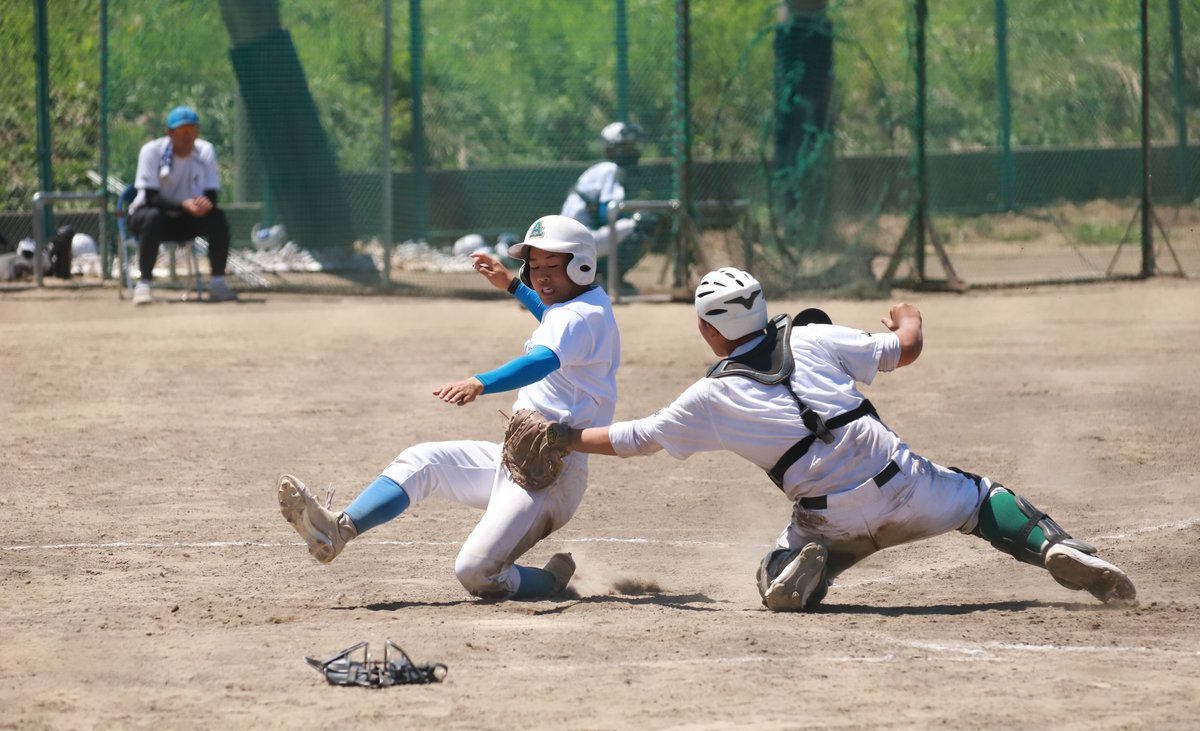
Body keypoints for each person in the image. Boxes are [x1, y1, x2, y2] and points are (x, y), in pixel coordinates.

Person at [561, 266, 1137, 611]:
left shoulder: (708, 397)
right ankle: (1052, 547)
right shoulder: (813, 338)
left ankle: (791, 573)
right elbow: (906, 349)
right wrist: (909, 315)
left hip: (826, 516)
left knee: (780, 563)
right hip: (907, 486)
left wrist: (562, 436)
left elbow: (636, 438)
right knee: (981, 499)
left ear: (707, 330)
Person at [278, 214, 620, 601]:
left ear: (581, 265)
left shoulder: (577, 317)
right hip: (516, 460)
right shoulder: (589, 304)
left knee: (476, 572)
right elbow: (553, 319)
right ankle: (338, 529)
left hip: (551, 481)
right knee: (423, 461)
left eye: (552, 266)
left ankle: (550, 582)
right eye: (534, 267)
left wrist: (480, 382)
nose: (540, 276)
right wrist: (511, 284)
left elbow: (541, 360)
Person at [128, 105, 235, 305]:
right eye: (181, 130)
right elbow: (151, 197)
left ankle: (218, 283)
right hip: (150, 218)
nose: (187, 135)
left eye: (191, 130)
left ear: (197, 132)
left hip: (187, 219)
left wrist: (204, 205)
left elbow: (211, 194)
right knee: (152, 216)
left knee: (218, 217)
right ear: (170, 133)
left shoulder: (205, 150)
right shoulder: (152, 151)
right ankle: (144, 284)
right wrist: (183, 205)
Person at [561, 121, 660, 282]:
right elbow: (607, 213)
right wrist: (634, 216)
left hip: (573, 239)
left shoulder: (602, 168)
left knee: (635, 222)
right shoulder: (610, 169)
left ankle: (597, 277)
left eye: (633, 146)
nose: (633, 151)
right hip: (581, 241)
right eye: (626, 147)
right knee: (644, 223)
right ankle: (610, 279)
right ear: (611, 148)